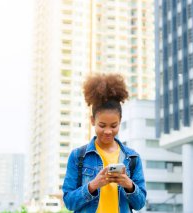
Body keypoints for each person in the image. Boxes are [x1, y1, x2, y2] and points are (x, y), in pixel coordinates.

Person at [62, 73, 146, 213]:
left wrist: (128, 184)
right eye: (102, 125)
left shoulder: (132, 158)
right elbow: (69, 203)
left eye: (114, 126)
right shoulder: (78, 156)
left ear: (120, 121)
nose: (108, 131)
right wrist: (93, 185)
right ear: (92, 121)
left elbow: (140, 204)